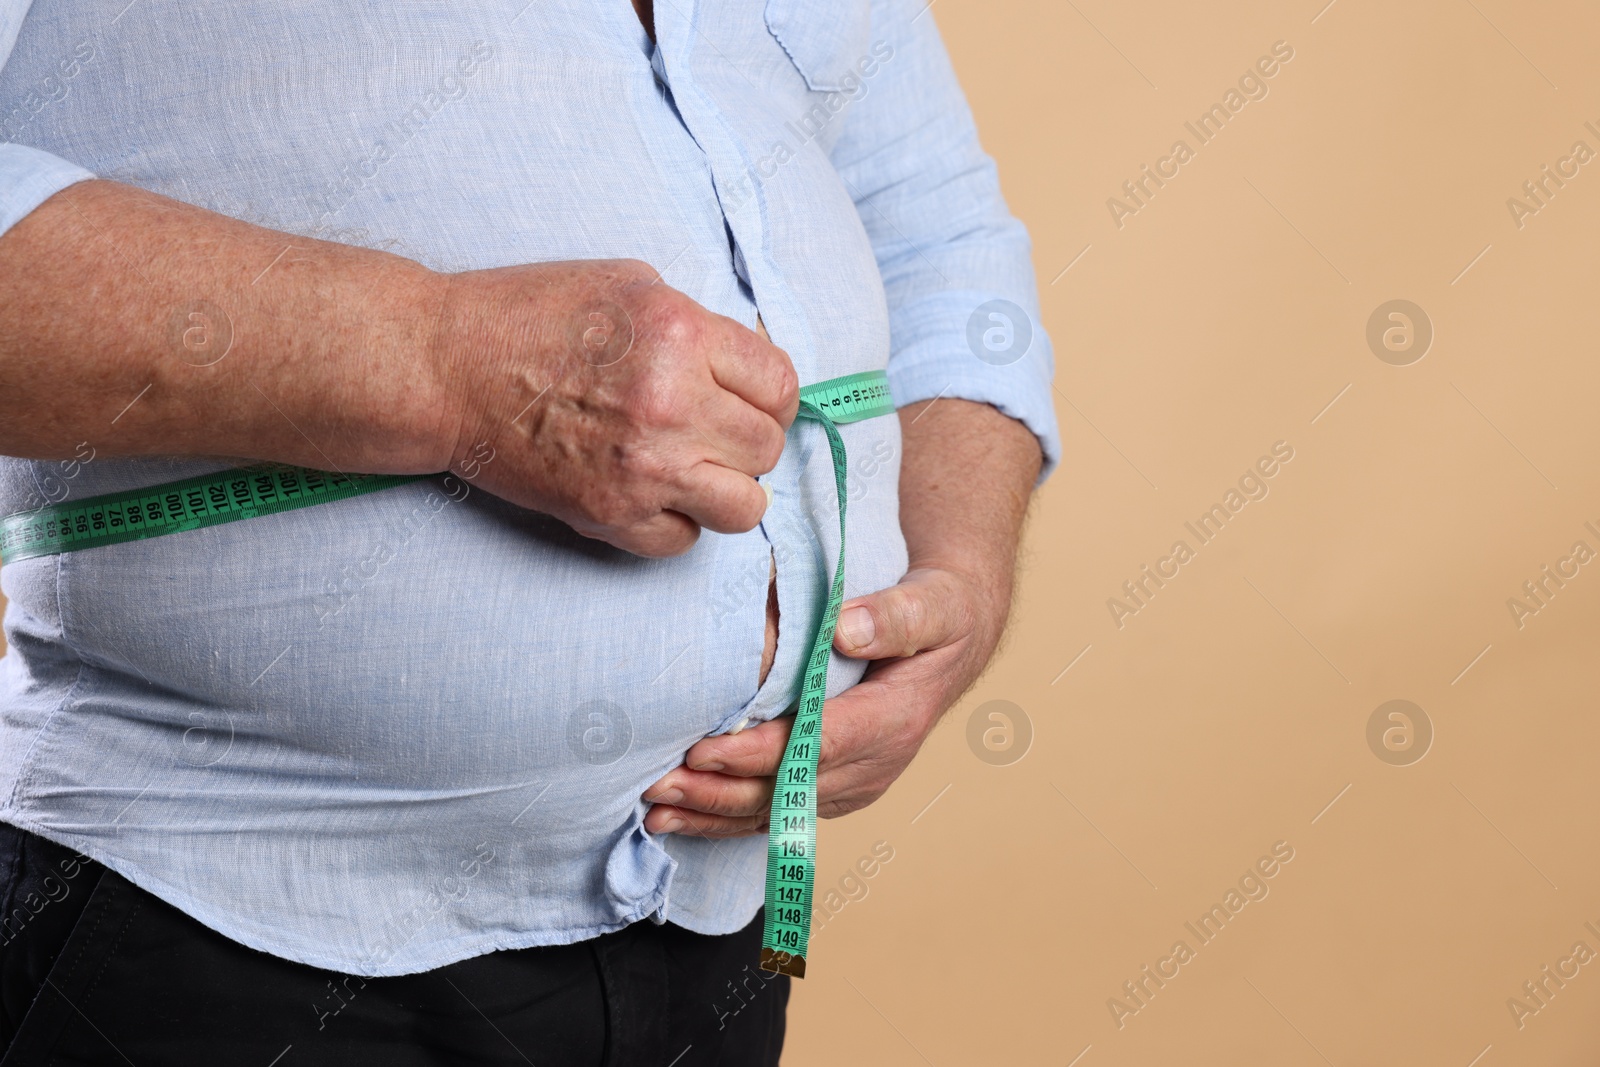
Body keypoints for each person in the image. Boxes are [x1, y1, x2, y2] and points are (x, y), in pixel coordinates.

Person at [0, 0, 1058, 1061]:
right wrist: (441, 360)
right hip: (213, 930)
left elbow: (938, 236)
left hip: (708, 940)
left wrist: (957, 572)